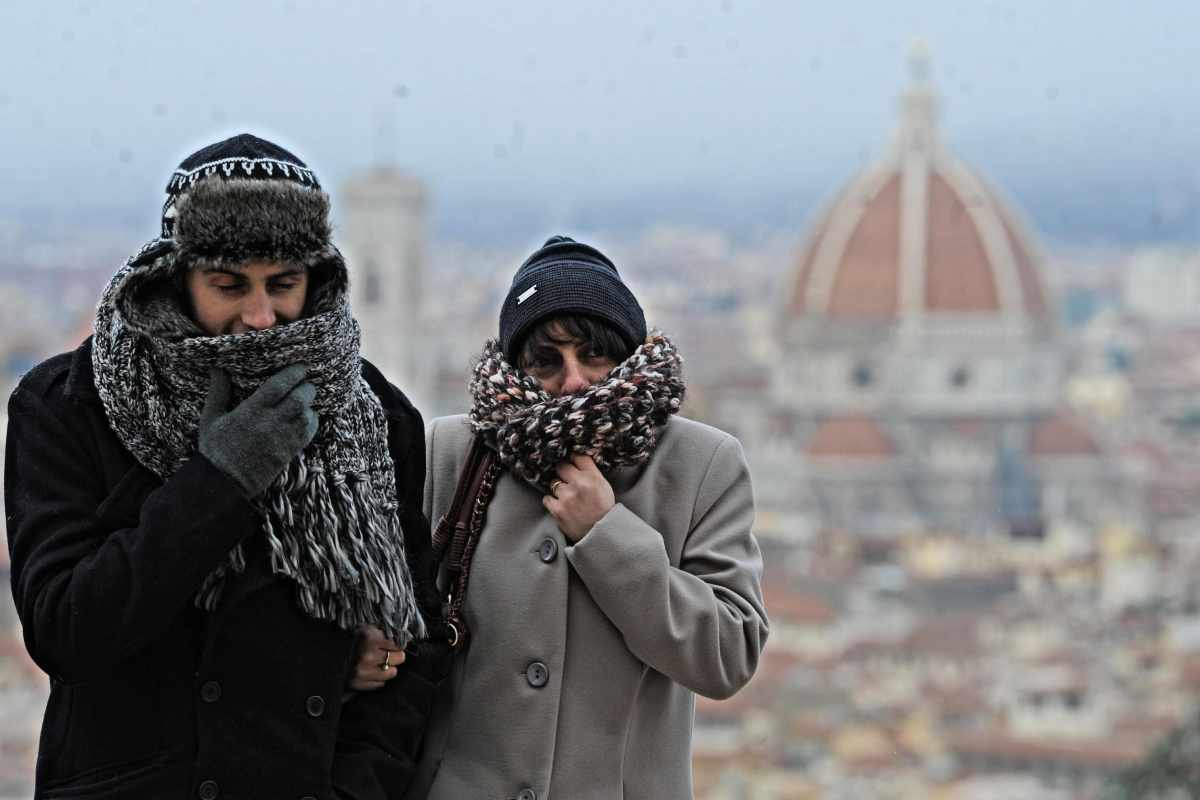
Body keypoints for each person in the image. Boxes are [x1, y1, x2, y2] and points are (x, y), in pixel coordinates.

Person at [4, 133, 446, 800]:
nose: (261, 317)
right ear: (175, 277)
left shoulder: (375, 414)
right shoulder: (71, 404)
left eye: (284, 284)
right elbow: (67, 630)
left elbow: (420, 642)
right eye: (229, 285)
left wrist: (355, 787)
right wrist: (222, 480)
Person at [364, 235, 768, 799]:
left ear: (628, 353)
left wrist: (608, 534)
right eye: (547, 359)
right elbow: (381, 608)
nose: (573, 380)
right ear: (514, 365)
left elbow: (728, 654)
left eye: (594, 353)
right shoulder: (451, 452)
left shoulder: (700, 466)